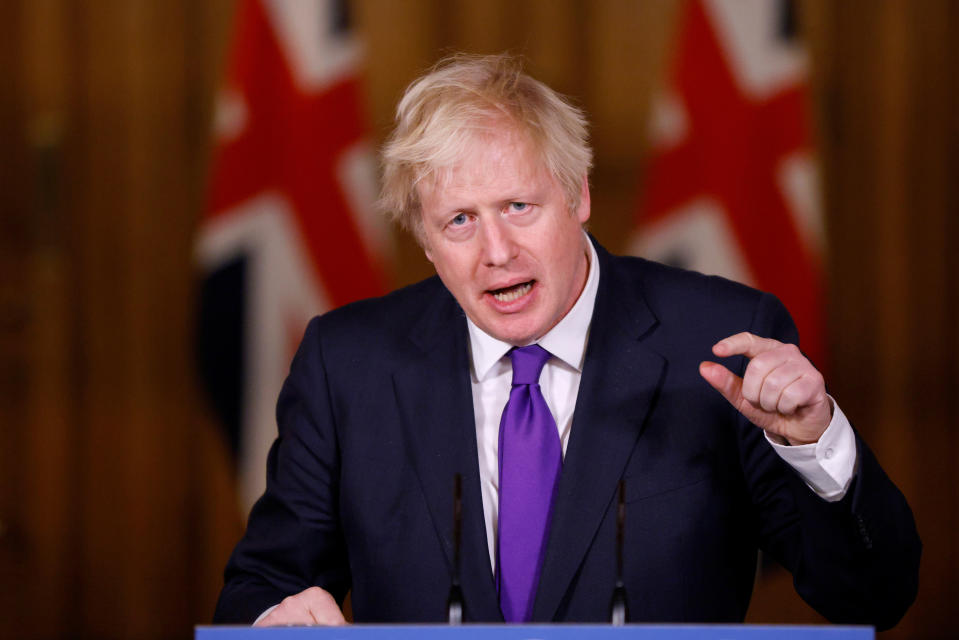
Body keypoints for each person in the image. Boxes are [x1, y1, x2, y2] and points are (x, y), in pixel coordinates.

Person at [213, 54, 920, 629]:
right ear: (424, 240)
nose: (496, 251)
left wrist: (812, 440)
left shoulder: (720, 339)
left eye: (518, 207)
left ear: (576, 195)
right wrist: (277, 616)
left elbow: (870, 597)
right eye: (458, 220)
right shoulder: (348, 363)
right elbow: (263, 584)